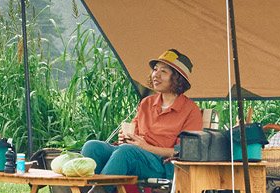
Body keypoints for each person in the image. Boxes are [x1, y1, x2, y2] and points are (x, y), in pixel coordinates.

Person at [80, 49, 200, 182]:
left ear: (177, 78)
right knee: (92, 147)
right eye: (155, 69)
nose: (156, 75)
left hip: (161, 163)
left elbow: (185, 152)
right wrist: (126, 137)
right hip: (132, 152)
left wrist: (146, 147)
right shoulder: (146, 103)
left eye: (163, 71)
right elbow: (134, 133)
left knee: (126, 151)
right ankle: (90, 192)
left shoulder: (191, 110)